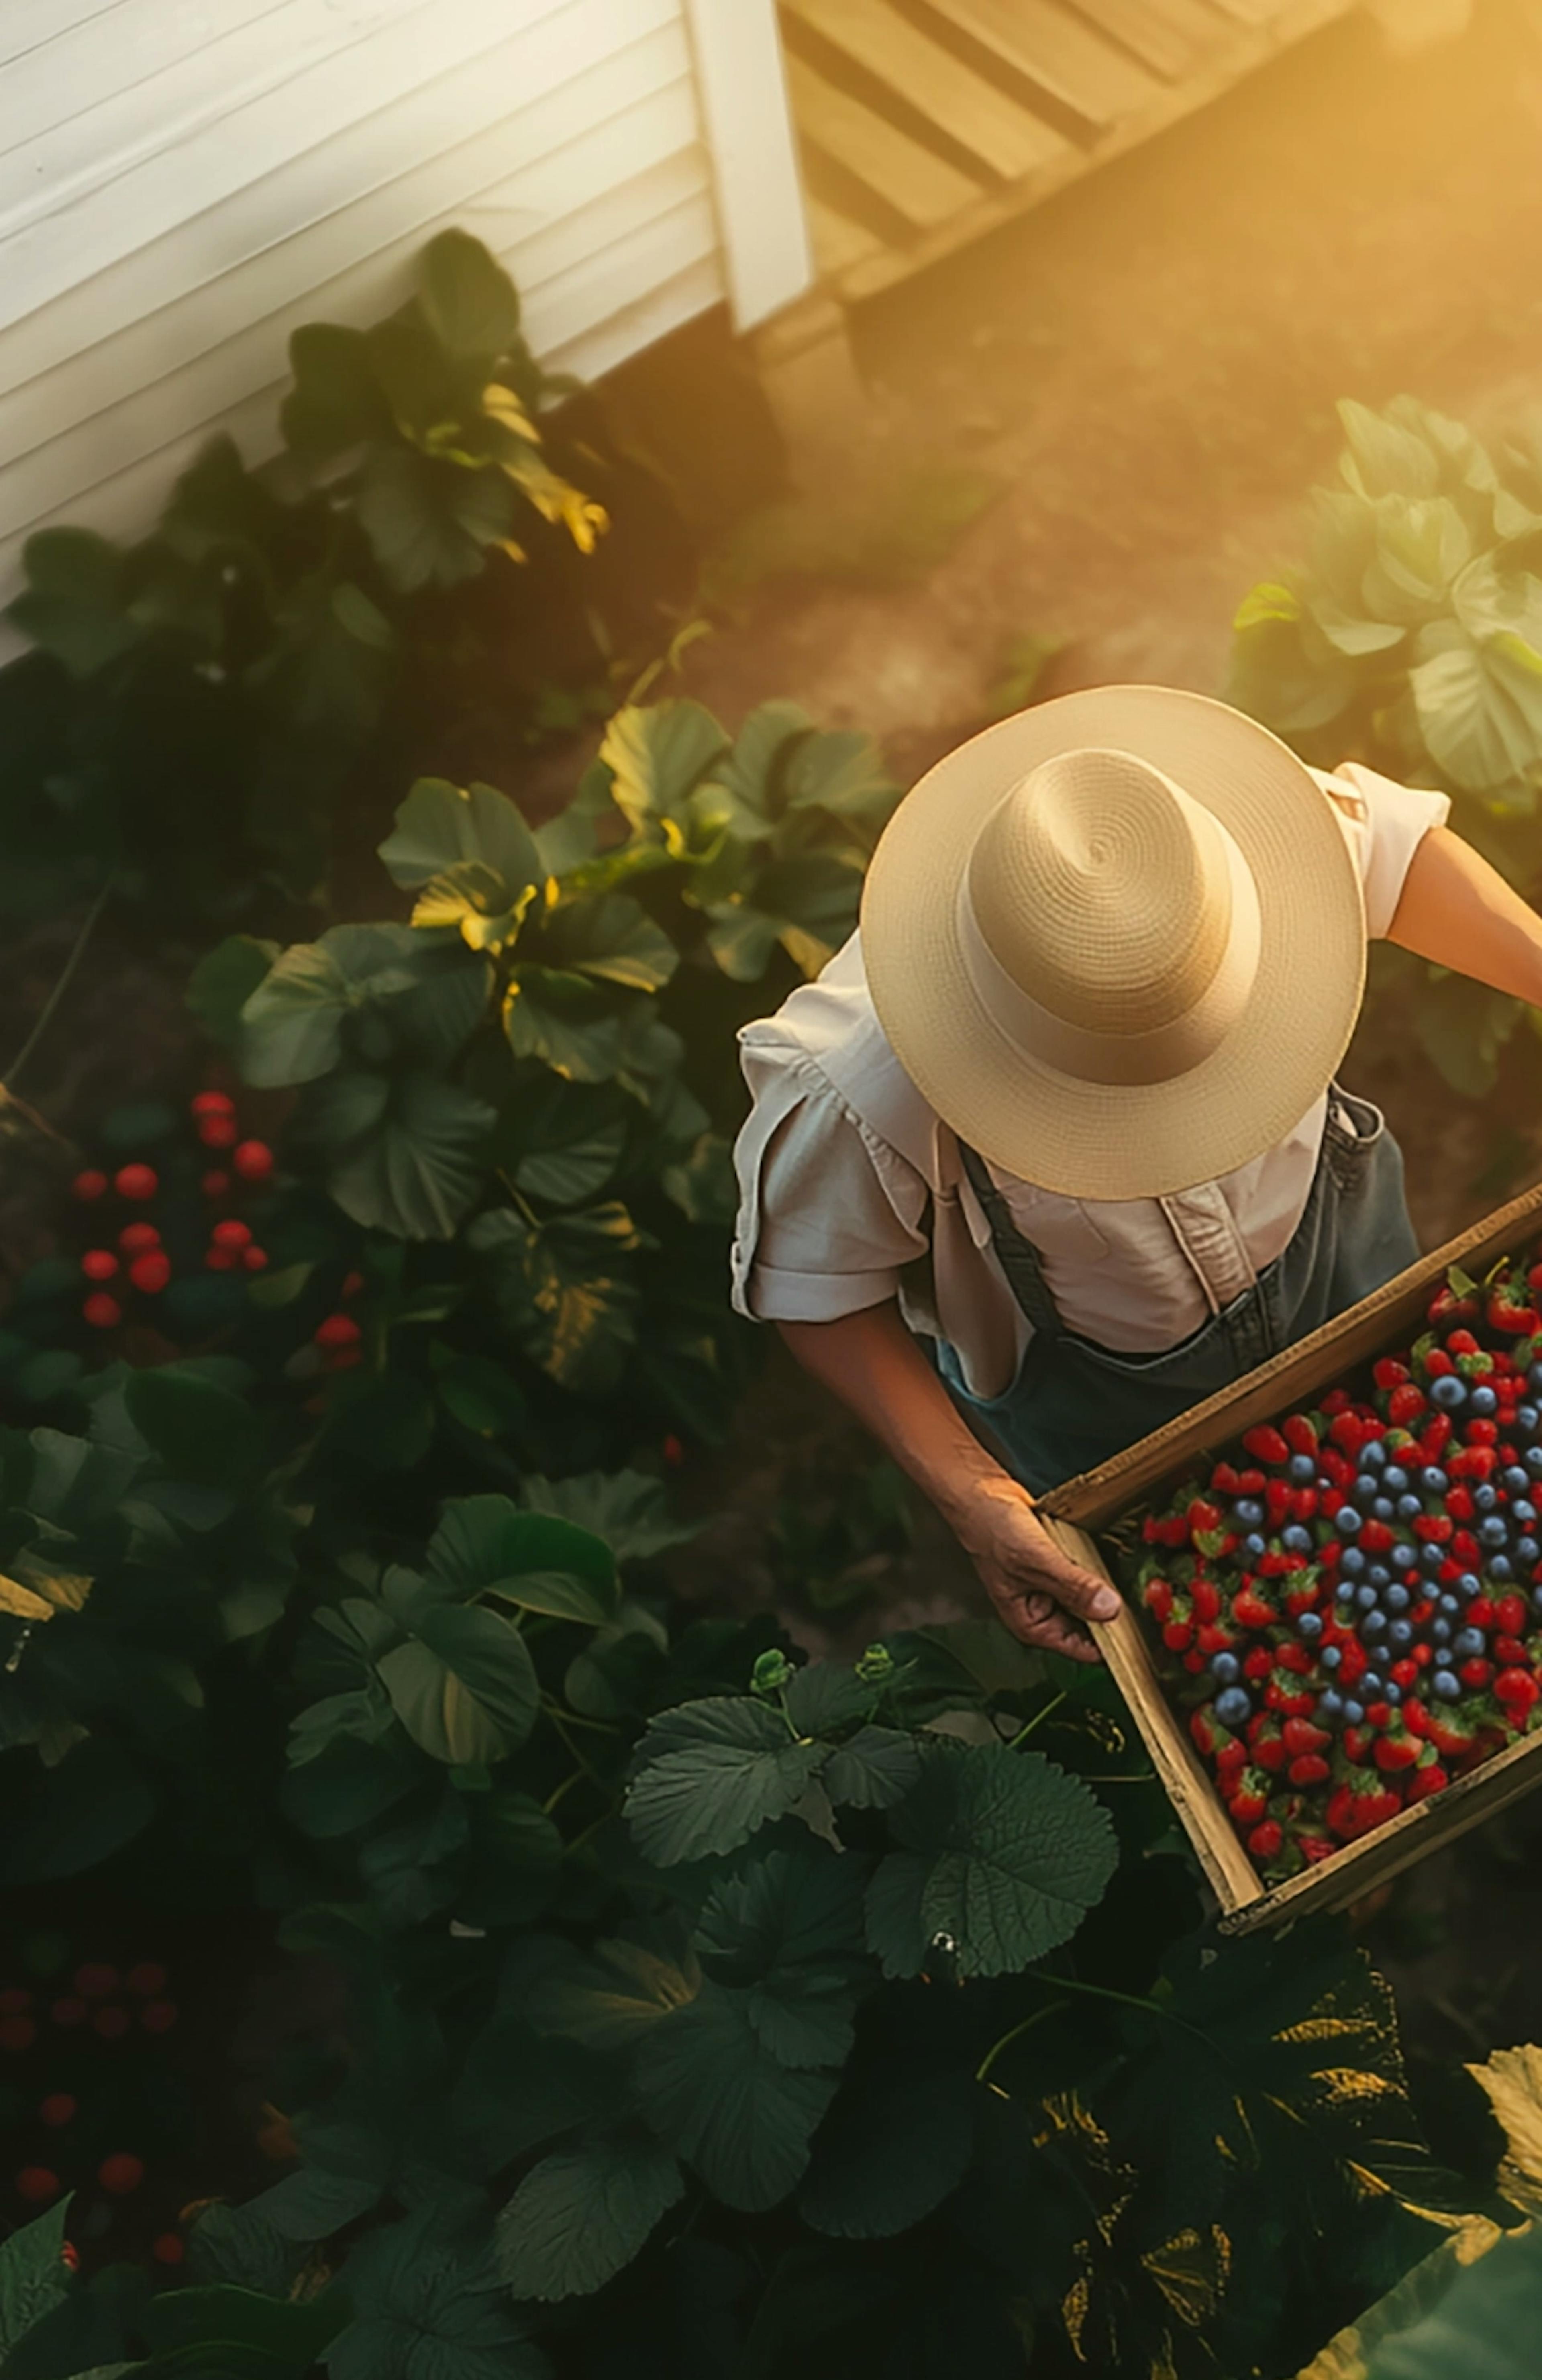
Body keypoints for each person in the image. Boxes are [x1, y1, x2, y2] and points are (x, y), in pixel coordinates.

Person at [729, 685, 1542, 1663]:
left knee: (1426, 1462)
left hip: (1339, 1248)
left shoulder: (1226, 836)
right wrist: (970, 1491)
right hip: (1115, 1414)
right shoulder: (862, 1084)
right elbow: (816, 1287)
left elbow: (1399, 861)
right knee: (1241, 1621)